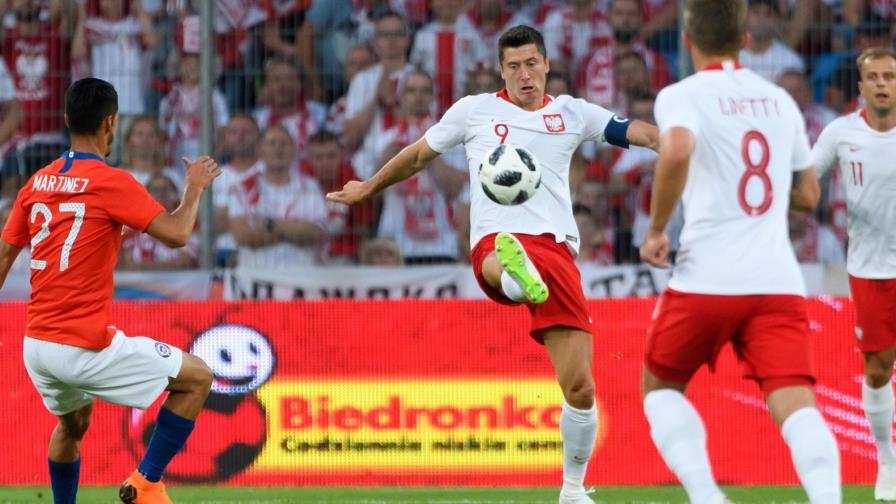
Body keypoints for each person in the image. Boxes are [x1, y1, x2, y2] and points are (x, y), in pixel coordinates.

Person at [328, 25, 658, 503]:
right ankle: (515, 276)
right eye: (513, 67)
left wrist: (670, 142)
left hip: (556, 251)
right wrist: (368, 188)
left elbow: (629, 130)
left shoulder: (571, 113)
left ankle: (572, 489)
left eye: (531, 64)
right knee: (499, 262)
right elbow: (419, 154)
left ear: (546, 64)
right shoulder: (475, 110)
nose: (524, 75)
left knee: (581, 389)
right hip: (498, 240)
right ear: (501, 71)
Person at [638, 1, 840, 503]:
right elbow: (810, 196)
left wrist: (657, 229)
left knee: (660, 388)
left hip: (706, 278)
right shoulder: (779, 99)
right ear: (745, 40)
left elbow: (678, 149)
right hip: (776, 281)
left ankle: (708, 496)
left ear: (688, 40)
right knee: (797, 405)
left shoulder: (681, 94)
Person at [0, 78, 219, 504]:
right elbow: (176, 234)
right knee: (197, 379)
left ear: (66, 121)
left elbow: (5, 255)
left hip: (38, 347)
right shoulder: (110, 181)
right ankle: (146, 484)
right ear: (111, 123)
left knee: (71, 426)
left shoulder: (37, 184)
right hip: (83, 346)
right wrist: (193, 188)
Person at [810, 47, 896, 501]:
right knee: (879, 369)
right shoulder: (841, 132)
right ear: (861, 88)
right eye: (874, 77)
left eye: (890, 76)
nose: (883, 83)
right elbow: (807, 177)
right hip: (871, 269)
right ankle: (887, 462)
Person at [738, 0, 805, 83]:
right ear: (745, 16)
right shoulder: (730, 56)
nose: (761, 19)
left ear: (777, 20)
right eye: (755, 12)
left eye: (768, 13)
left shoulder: (791, 61)